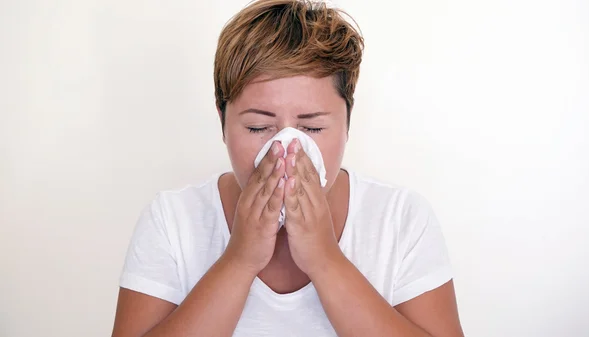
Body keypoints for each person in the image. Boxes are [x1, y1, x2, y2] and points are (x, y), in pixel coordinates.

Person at [111, 0, 464, 336]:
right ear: (223, 121)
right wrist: (239, 261)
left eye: (312, 128)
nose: (285, 152)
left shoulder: (401, 219)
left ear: (347, 123)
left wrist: (325, 260)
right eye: (257, 128)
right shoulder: (171, 220)